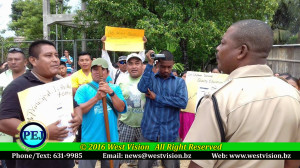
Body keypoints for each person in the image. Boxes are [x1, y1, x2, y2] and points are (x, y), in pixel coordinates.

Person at [184, 19, 300, 168]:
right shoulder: (293, 96)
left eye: (223, 43)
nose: (218, 48)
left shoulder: (219, 100)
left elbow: (199, 164)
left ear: (242, 51)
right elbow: (292, 162)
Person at [0, 40, 82, 168]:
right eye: (48, 56)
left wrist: (78, 117)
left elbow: (76, 106)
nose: (55, 59)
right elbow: (4, 122)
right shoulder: (17, 86)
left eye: (56, 55)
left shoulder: (59, 83)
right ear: (33, 60)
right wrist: (43, 132)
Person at [137, 50, 188, 168]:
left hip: (170, 134)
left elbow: (182, 102)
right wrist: (149, 64)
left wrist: (157, 98)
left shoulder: (179, 83)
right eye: (163, 66)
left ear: (173, 64)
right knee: (143, 166)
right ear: (158, 64)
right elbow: (141, 87)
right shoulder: (151, 79)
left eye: (169, 67)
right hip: (149, 133)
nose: (166, 70)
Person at [74, 58, 127, 168]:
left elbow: (121, 108)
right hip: (89, 141)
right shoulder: (83, 89)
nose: (99, 72)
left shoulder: (115, 88)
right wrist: (96, 98)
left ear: (107, 72)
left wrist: (111, 93)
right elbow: (77, 111)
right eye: (95, 69)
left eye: (103, 69)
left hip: (111, 140)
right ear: (91, 72)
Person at [117, 53, 146, 167]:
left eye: (137, 63)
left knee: (148, 161)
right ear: (126, 66)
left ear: (142, 65)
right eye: (130, 64)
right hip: (125, 123)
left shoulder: (148, 81)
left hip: (145, 126)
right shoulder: (121, 81)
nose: (134, 66)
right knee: (117, 159)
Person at [178, 71, 195, 141]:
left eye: (187, 77)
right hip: (179, 112)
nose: (185, 78)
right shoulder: (177, 85)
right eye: (184, 76)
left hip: (190, 113)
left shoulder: (194, 86)